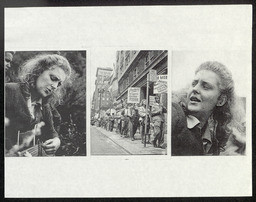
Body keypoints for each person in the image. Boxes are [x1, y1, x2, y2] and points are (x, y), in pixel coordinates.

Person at [171, 61, 245, 156]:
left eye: (205, 87)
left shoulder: (213, 139)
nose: (195, 89)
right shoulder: (174, 113)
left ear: (221, 100)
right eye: (194, 84)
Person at [5, 54, 72, 156]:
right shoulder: (9, 91)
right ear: (38, 71)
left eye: (59, 84)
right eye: (53, 78)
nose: (54, 86)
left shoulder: (45, 105)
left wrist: (56, 141)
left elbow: (51, 132)